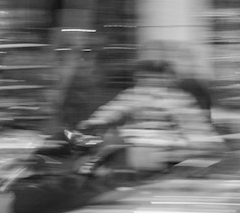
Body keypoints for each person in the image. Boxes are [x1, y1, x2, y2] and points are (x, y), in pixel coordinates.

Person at [78, 58, 221, 173]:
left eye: (157, 77)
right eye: (146, 77)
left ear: (168, 78)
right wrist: (95, 121)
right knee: (104, 153)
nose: (152, 81)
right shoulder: (133, 95)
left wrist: (203, 144)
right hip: (136, 147)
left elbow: (193, 124)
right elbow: (114, 108)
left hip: (166, 150)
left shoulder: (178, 98)